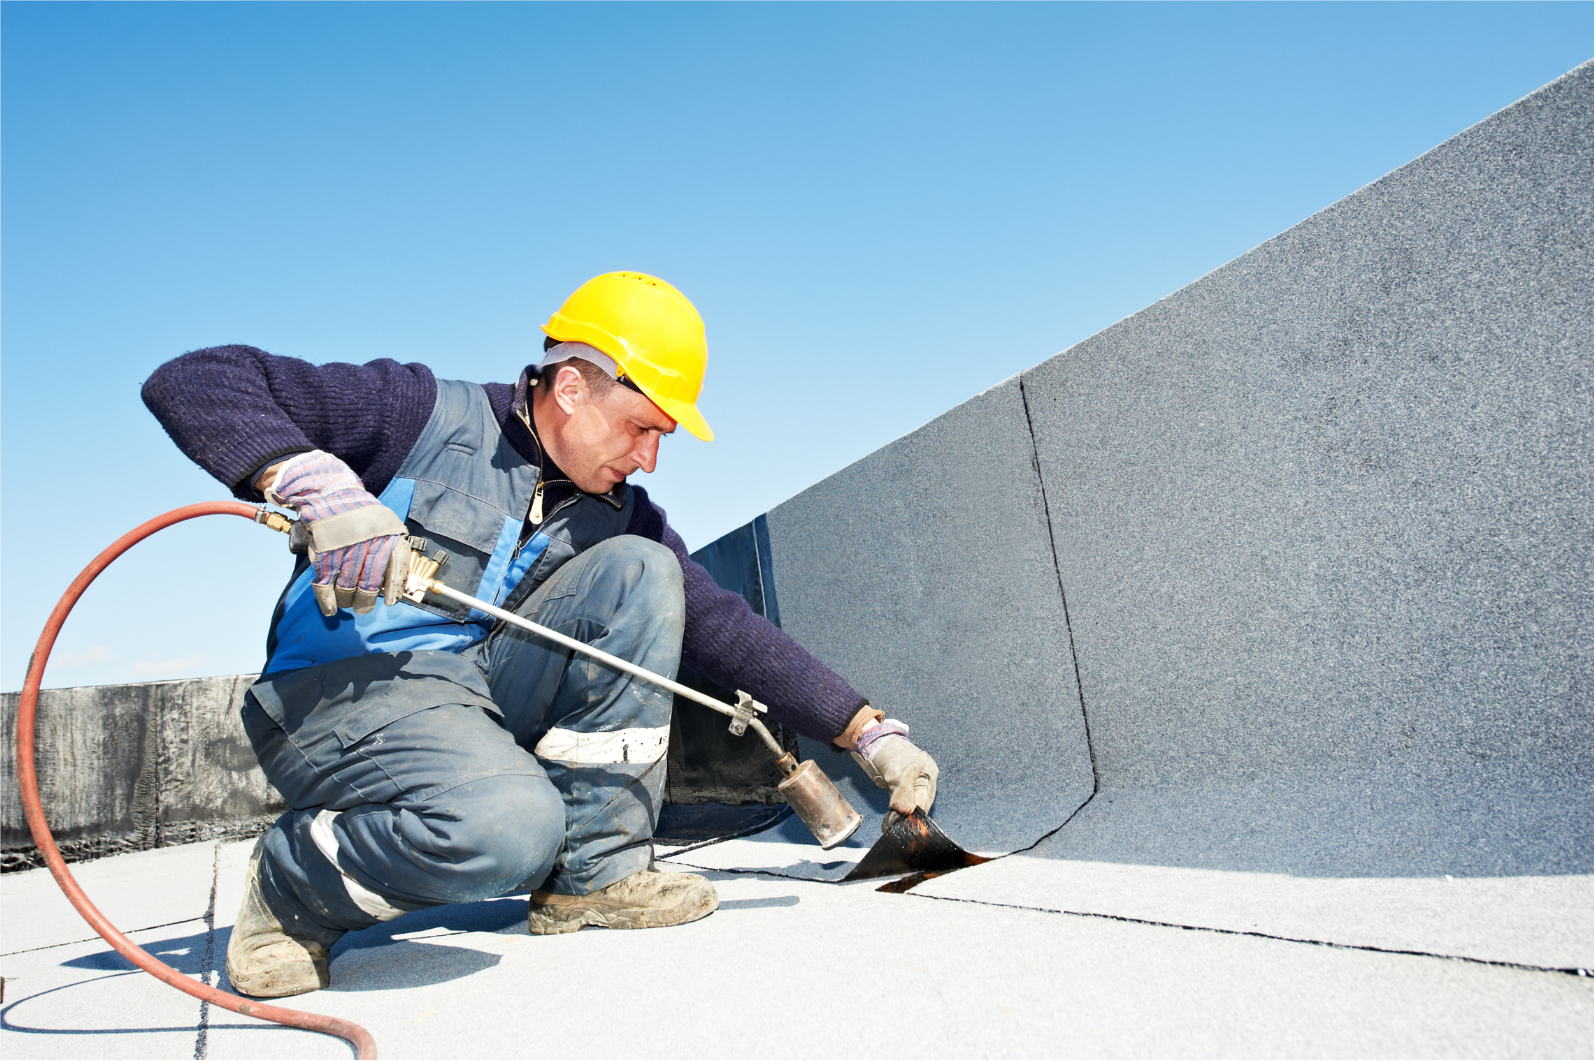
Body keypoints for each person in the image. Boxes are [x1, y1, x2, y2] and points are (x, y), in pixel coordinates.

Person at [141, 270, 940, 999]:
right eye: (640, 427)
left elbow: (725, 630)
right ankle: (292, 882)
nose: (650, 458)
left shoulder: (614, 510)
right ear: (570, 387)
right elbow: (195, 379)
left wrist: (868, 733)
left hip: (469, 694)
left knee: (643, 572)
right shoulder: (420, 413)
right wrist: (313, 481)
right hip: (341, 692)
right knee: (509, 831)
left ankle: (593, 875)